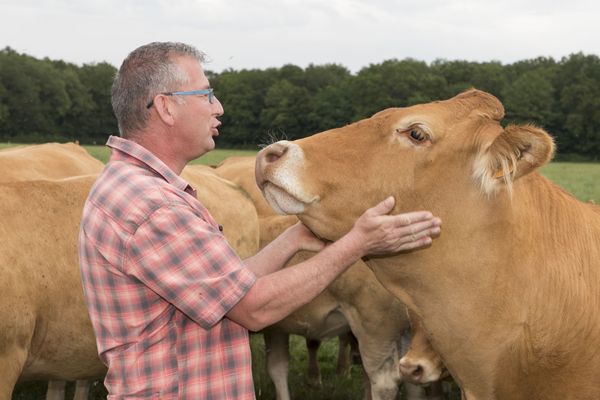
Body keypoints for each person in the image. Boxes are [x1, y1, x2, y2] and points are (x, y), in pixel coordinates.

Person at [78, 41, 442, 399]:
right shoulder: (153, 207)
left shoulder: (132, 186)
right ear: (166, 107)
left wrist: (296, 237)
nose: (218, 108)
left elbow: (226, 289)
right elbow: (252, 308)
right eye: (206, 95)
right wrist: (356, 244)